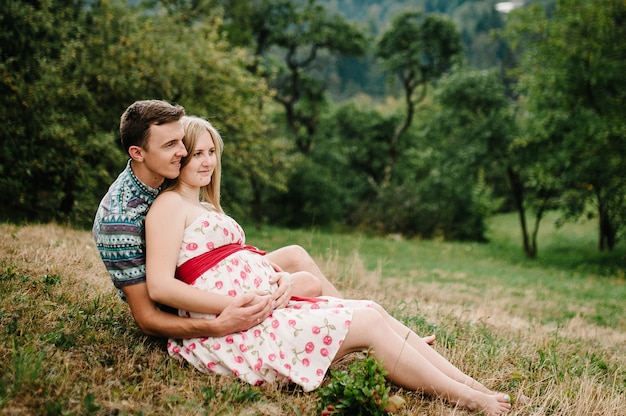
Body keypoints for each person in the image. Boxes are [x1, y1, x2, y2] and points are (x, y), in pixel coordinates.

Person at [143, 115, 513, 416]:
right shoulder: (169, 206)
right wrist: (230, 306)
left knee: (371, 309)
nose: (207, 161)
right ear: (179, 159)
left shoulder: (205, 207)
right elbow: (160, 286)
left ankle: (474, 386)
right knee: (366, 319)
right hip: (236, 330)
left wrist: (279, 282)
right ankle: (466, 399)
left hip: (260, 309)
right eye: (196, 154)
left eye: (212, 152)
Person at [93, 99, 340, 341]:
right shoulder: (119, 221)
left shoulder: (165, 177)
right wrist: (219, 325)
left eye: (181, 141)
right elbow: (148, 317)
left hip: (209, 274)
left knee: (295, 258)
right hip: (186, 297)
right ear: (138, 153)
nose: (183, 151)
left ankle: (347, 313)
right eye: (170, 145)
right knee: (302, 286)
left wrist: (273, 273)